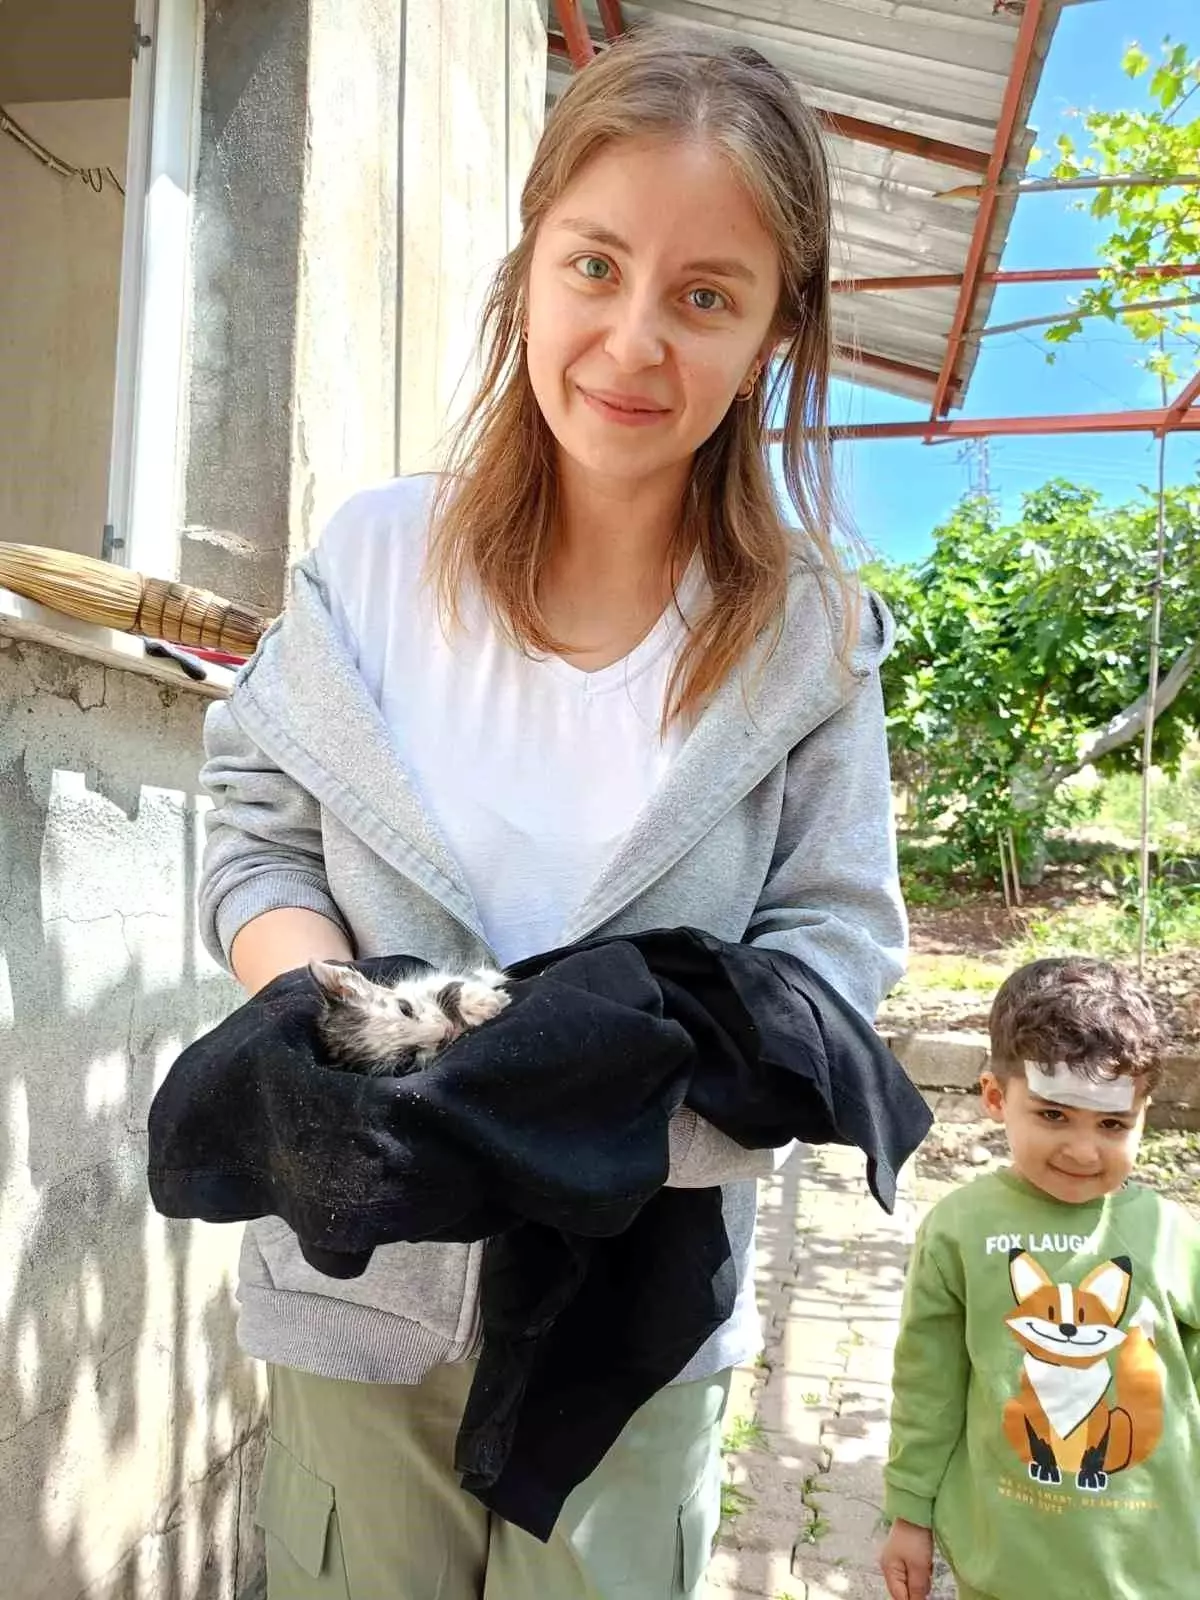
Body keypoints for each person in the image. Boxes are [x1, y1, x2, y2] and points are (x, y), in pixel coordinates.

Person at [199, 30, 906, 1600]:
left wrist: (600, 1127)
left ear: (774, 333)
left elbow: (835, 951)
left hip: (635, 1326)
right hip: (359, 1286)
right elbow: (254, 817)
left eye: (705, 296)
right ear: (531, 261)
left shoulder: (806, 638)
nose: (633, 340)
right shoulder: (374, 563)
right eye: (596, 265)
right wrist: (334, 1032)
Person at [880, 957, 1200, 1600]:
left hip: (1155, 1570)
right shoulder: (959, 1230)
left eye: (1113, 1125)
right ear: (996, 1098)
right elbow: (929, 1384)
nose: (1084, 1151)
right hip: (1004, 1568)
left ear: (1143, 1113)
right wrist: (909, 1512)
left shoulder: (1174, 1236)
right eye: (1054, 1115)